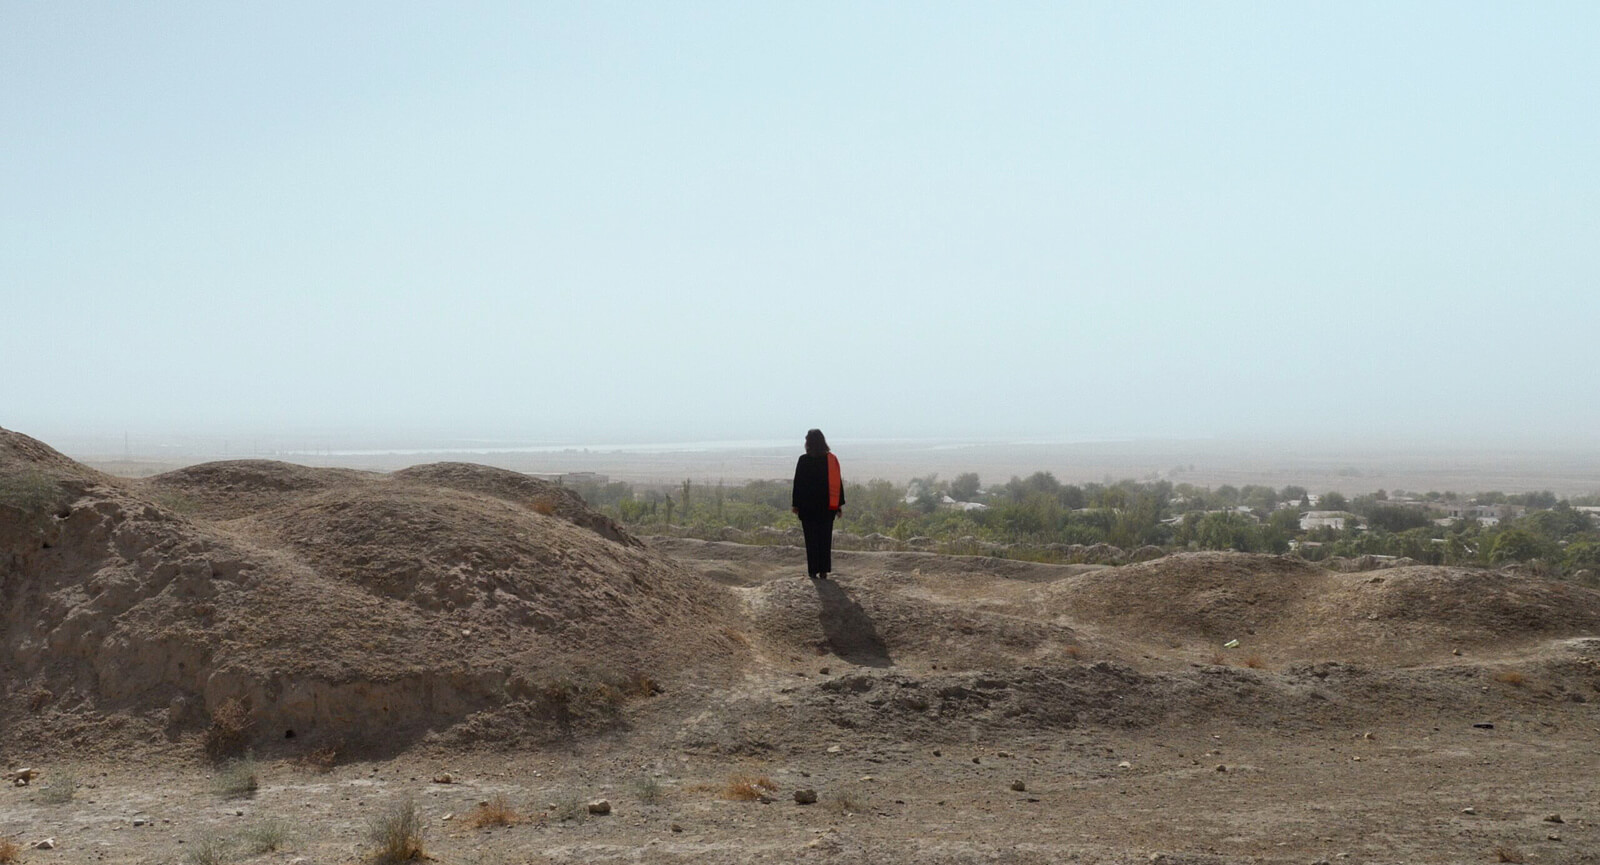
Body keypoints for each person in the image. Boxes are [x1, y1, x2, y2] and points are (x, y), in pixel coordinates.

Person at [791, 428, 845, 579]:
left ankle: (812, 571)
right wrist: (838, 506)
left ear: (809, 442)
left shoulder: (804, 460)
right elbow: (837, 484)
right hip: (826, 508)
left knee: (811, 540)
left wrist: (796, 504)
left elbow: (798, 484)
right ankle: (823, 571)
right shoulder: (830, 459)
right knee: (824, 539)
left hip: (808, 507)